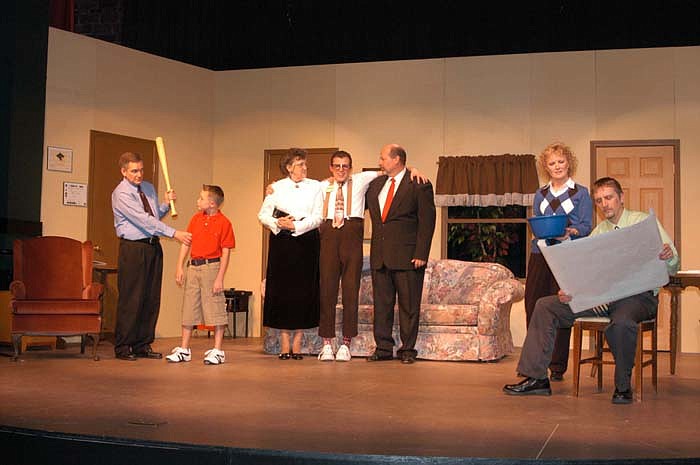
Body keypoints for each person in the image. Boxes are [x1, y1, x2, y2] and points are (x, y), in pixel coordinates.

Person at [503, 177, 679, 404]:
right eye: (599, 200)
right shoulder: (598, 232)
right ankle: (537, 378)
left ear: (621, 198)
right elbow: (587, 273)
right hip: (601, 297)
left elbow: (674, 264)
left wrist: (669, 256)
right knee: (545, 305)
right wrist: (570, 290)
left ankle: (623, 387)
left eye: (609, 198)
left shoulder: (643, 221)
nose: (605, 204)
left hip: (637, 297)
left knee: (623, 321)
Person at [315, 151, 427, 362]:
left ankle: (347, 344)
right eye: (337, 166)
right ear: (330, 168)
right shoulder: (321, 186)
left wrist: (413, 169)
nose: (341, 170)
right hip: (330, 237)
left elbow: (396, 171)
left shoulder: (362, 180)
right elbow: (298, 187)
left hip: (354, 238)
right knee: (327, 292)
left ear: (351, 167)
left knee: (351, 293)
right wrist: (273, 188)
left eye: (345, 166)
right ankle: (328, 343)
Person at [111, 151, 192, 361]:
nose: (139, 174)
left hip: (152, 246)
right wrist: (174, 233)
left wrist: (165, 204)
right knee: (132, 298)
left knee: (150, 297)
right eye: (134, 171)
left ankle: (142, 344)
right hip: (133, 248)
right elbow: (143, 220)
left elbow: (154, 216)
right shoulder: (121, 194)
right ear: (124, 171)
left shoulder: (147, 188)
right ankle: (124, 346)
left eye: (141, 170)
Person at [524, 142, 593, 381]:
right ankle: (535, 365)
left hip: (567, 256)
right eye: (552, 163)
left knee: (561, 307)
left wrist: (569, 232)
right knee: (533, 307)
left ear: (569, 163)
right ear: (546, 166)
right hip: (540, 255)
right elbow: (537, 223)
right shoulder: (540, 194)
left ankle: (557, 366)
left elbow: (586, 227)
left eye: (561, 162)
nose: (557, 167)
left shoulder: (581, 193)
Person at [365, 144, 436, 364]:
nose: (380, 162)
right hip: (380, 256)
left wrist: (421, 252)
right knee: (382, 306)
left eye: (383, 158)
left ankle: (407, 349)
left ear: (397, 159)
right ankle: (383, 348)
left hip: (408, 256)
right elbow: (349, 185)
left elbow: (427, 221)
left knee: (409, 306)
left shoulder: (418, 184)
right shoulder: (376, 184)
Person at [258, 148, 323, 360]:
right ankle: (284, 341)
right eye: (300, 164)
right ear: (289, 167)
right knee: (282, 290)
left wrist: (297, 226)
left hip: (306, 241)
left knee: (303, 291)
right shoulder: (276, 187)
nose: (304, 168)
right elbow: (263, 215)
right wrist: (278, 222)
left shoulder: (316, 186)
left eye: (305, 164)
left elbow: (318, 217)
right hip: (282, 242)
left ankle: (298, 343)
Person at [166, 185, 235, 365]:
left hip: (211, 267)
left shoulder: (224, 222)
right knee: (189, 308)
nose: (198, 201)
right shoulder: (196, 219)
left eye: (201, 198)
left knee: (215, 308)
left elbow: (226, 252)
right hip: (194, 267)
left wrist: (220, 277)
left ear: (211, 203)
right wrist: (180, 266)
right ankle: (184, 349)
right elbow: (186, 243)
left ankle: (218, 350)